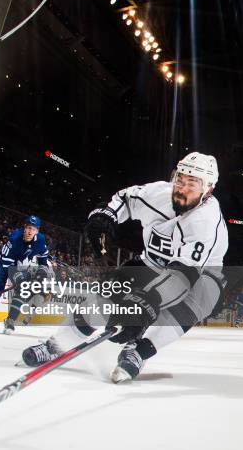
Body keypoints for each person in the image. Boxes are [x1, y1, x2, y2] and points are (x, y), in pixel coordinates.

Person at [22, 152, 228, 382]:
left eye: (192, 184)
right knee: (105, 297)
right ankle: (57, 344)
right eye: (180, 179)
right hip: (151, 262)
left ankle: (139, 351)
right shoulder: (159, 193)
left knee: (198, 300)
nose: (182, 188)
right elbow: (124, 199)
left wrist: (146, 305)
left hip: (199, 277)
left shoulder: (207, 223)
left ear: (208, 190)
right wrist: (104, 217)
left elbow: (183, 276)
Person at [0, 215, 50, 333]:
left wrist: (43, 268)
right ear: (25, 227)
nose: (30, 231)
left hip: (21, 266)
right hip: (4, 265)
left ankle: (10, 321)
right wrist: (16, 275)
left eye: (34, 229)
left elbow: (43, 255)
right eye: (29, 228)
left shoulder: (40, 240)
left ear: (37, 231)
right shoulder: (15, 238)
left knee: (22, 291)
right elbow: (6, 261)